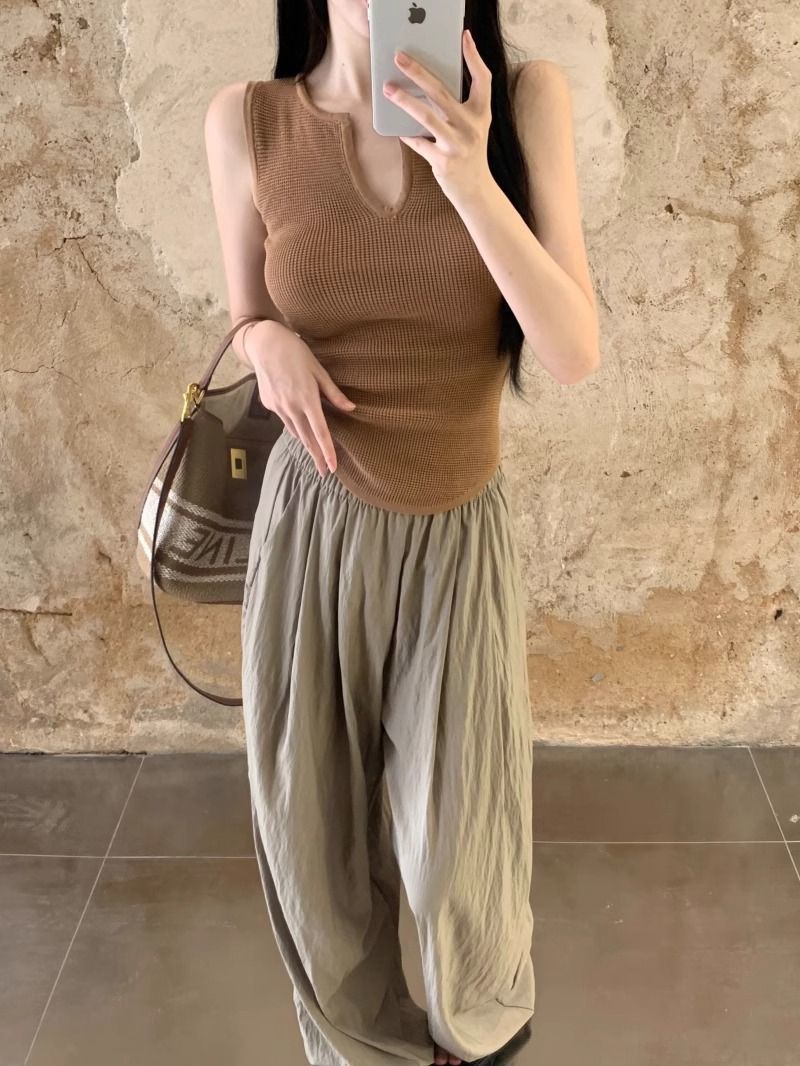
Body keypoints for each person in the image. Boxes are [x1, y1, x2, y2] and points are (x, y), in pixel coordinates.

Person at [204, 1, 599, 1063]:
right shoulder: (248, 120)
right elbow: (247, 314)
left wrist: (467, 174)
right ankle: (360, 1051)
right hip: (310, 532)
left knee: (461, 858)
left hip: (455, 536)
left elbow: (571, 351)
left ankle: (478, 1038)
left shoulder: (523, 103)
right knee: (313, 841)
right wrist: (263, 340)